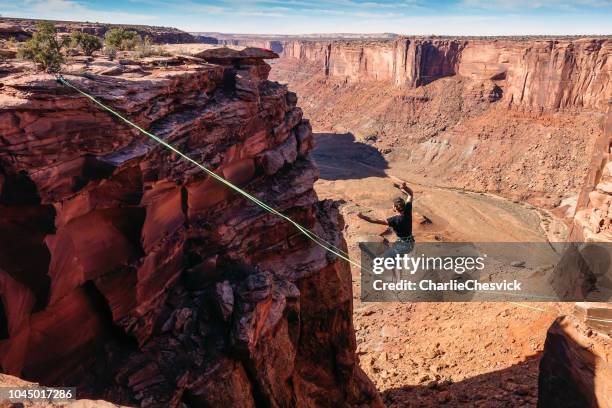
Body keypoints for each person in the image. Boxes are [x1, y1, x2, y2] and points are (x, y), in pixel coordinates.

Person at [357, 181, 415, 260]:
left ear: (395, 207)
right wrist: (405, 188)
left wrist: (362, 216)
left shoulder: (394, 220)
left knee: (380, 259)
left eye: (393, 205)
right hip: (411, 243)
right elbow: (410, 194)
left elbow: (374, 221)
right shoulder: (408, 210)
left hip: (403, 246)